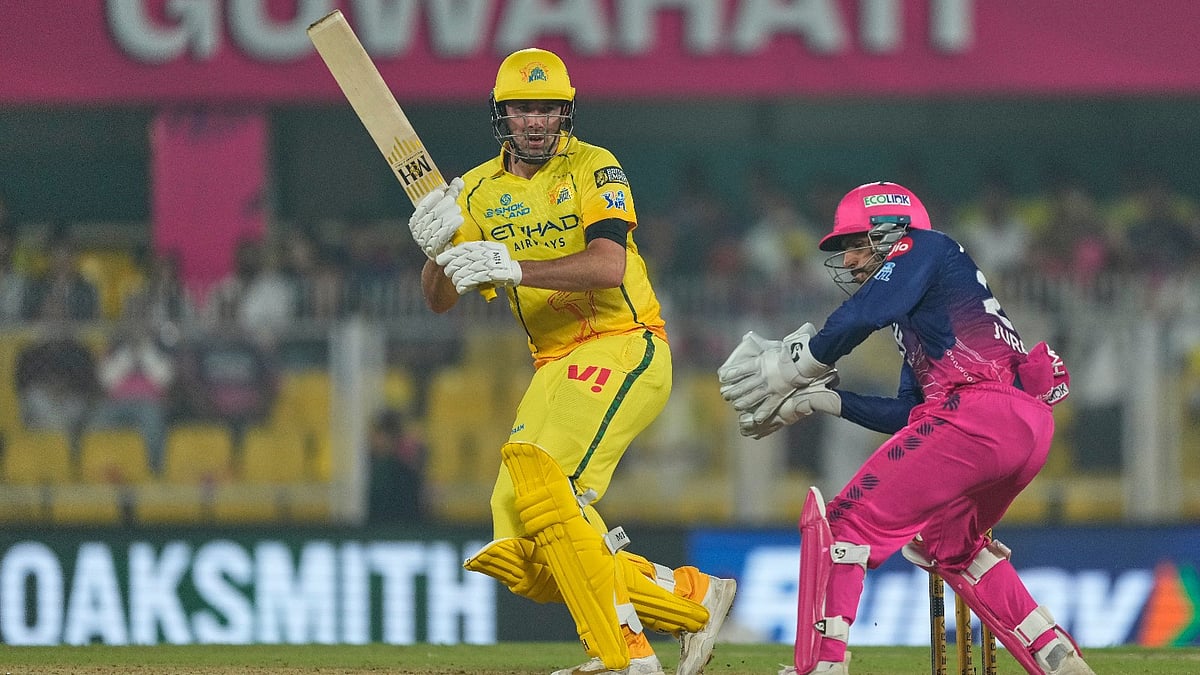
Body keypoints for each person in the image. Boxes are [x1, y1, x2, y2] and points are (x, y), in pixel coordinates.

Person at [409, 48, 736, 675]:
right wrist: (433, 251)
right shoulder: (474, 191)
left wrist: (513, 266)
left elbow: (609, 266)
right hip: (553, 361)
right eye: (523, 108)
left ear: (567, 113)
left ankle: (625, 657)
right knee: (516, 527)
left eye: (548, 109)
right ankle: (688, 600)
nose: (536, 121)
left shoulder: (595, 167)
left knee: (545, 485)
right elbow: (440, 300)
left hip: (626, 342)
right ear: (502, 114)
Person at [717, 182, 1092, 675]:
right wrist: (825, 399)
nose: (848, 262)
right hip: (1022, 428)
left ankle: (822, 667)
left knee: (845, 523)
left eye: (854, 244)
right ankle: (1054, 655)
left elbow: (864, 313)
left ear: (890, 231)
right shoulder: (920, 311)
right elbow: (907, 413)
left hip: (976, 416)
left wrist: (793, 366)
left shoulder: (927, 245)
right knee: (948, 548)